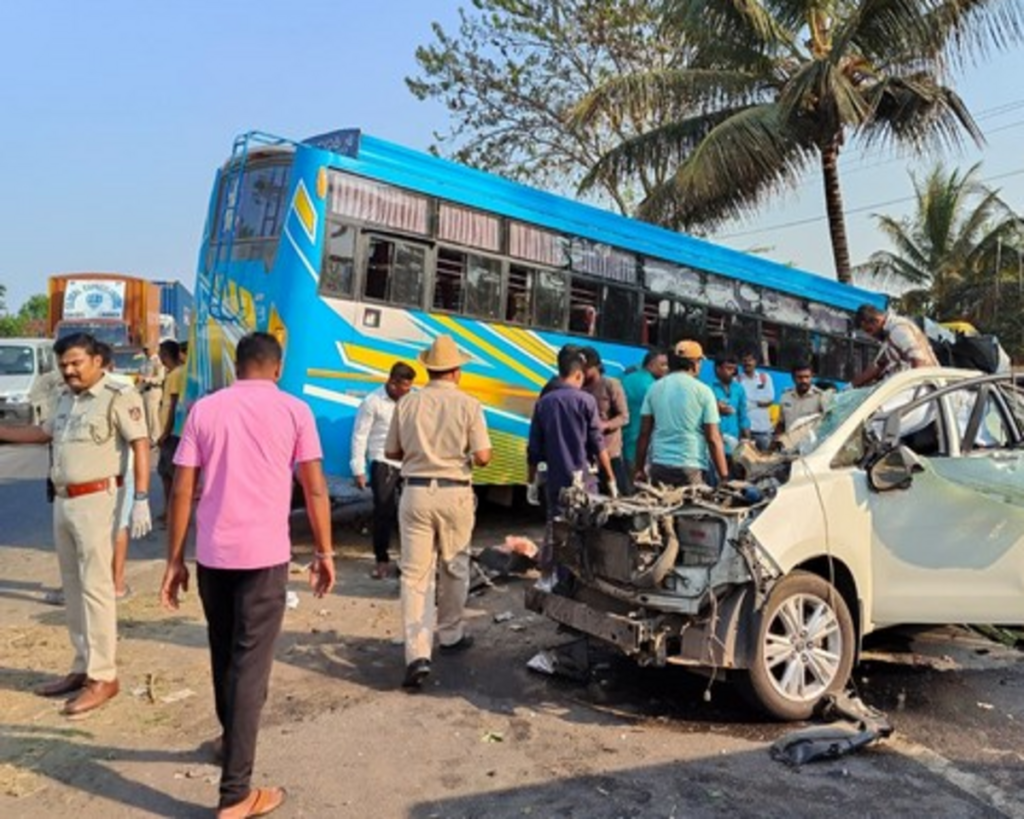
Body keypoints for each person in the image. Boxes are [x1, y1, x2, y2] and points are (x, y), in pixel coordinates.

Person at [160, 332, 334, 819]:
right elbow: (315, 489)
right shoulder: (295, 411)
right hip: (264, 558)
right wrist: (324, 551)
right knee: (251, 667)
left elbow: (181, 490)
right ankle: (235, 794)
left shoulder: (205, 410)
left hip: (214, 557)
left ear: (237, 367)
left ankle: (229, 739)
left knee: (224, 654)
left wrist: (174, 560)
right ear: (277, 369)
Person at [0, 333, 151, 716]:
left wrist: (142, 499)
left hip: (98, 500)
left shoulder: (119, 396)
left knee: (97, 588)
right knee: (72, 585)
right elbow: (41, 433)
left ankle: (104, 676)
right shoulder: (66, 399)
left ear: (98, 361)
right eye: (64, 364)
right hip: (65, 501)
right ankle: (82, 665)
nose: (68, 370)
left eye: (76, 363)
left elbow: (140, 444)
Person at [384, 334, 492, 690]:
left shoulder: (407, 405)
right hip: (455, 493)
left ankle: (417, 653)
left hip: (414, 493)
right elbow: (483, 456)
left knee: (415, 575)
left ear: (429, 369)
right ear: (457, 371)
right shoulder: (469, 405)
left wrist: (421, 454)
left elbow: (393, 452)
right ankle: (450, 634)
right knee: (454, 565)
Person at [527, 345, 616, 587]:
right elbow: (598, 444)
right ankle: (582, 581)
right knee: (586, 530)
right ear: (578, 375)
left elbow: (533, 449)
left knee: (555, 526)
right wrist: (611, 478)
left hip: (555, 479)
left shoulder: (545, 402)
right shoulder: (586, 401)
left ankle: (549, 578)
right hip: (584, 479)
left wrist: (531, 482)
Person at [350, 361, 416, 579]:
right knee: (383, 512)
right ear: (392, 382)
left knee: (410, 512)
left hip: (408, 462)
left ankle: (408, 560)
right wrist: (359, 469)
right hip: (382, 460)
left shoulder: (413, 400)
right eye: (403, 387)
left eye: (410, 387)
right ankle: (381, 560)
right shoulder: (372, 402)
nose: (407, 391)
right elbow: (360, 436)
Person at [634, 340, 728, 487]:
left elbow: (644, 433)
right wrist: (724, 477)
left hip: (660, 465)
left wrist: (639, 469)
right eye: (700, 361)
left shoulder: (654, 388)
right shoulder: (704, 391)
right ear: (693, 364)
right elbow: (713, 438)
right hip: (691, 467)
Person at [96, 342, 139, 600]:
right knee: (118, 526)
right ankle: (116, 584)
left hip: (116, 472)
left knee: (100, 530)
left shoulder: (119, 388)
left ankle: (109, 583)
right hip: (121, 472)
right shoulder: (125, 385)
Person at [580, 346, 629, 493]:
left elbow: (624, 416)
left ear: (596, 367)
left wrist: (605, 425)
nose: (581, 372)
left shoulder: (610, 385)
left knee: (618, 497)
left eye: (585, 368)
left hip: (610, 452)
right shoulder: (578, 386)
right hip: (587, 455)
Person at [852, 304, 939, 387]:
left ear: (877, 320)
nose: (871, 335)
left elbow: (919, 362)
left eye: (869, 330)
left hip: (924, 389)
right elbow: (878, 366)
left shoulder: (898, 329)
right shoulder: (889, 335)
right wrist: (851, 386)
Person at [620, 348, 668, 483]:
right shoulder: (653, 387)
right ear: (651, 365)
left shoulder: (626, 378)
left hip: (623, 442)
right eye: (663, 365)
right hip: (639, 448)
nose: (667, 369)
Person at [707, 352, 751, 470]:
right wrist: (717, 409)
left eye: (734, 369)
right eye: (728, 368)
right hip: (714, 443)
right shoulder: (708, 388)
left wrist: (747, 440)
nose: (732, 372)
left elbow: (743, 416)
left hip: (733, 443)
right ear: (718, 369)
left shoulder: (739, 389)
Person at [155, 339, 183, 525]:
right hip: (169, 432)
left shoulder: (176, 375)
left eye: (162, 354)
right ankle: (168, 511)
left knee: (170, 476)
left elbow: (173, 405)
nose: (160, 358)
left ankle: (173, 514)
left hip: (171, 434)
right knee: (166, 474)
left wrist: (165, 432)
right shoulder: (174, 373)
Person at [736, 351, 775, 451]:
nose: (747, 363)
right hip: (744, 431)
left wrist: (749, 403)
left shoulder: (764, 378)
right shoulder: (737, 380)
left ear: (755, 362)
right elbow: (738, 404)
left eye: (750, 360)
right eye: (744, 360)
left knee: (765, 461)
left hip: (763, 430)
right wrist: (758, 402)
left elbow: (769, 399)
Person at [777, 362, 831, 433]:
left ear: (812, 377)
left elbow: (828, 423)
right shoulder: (785, 396)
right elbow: (781, 423)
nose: (804, 381)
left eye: (807, 377)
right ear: (793, 378)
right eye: (800, 377)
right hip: (789, 442)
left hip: (811, 443)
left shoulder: (820, 396)